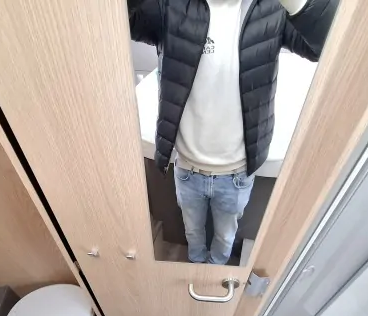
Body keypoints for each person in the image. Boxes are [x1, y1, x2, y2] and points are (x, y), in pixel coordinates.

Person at [129, 0, 338, 264]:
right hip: (187, 169)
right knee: (192, 233)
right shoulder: (170, 5)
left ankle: (216, 270)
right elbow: (122, 17)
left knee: (225, 238)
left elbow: (327, 43)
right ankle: (196, 268)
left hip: (236, 174)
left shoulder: (271, 9)